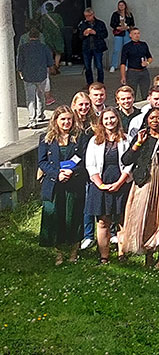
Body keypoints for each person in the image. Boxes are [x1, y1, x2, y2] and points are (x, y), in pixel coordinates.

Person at [120, 108, 159, 268]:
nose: (155, 121)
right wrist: (137, 144)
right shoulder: (141, 137)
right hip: (144, 182)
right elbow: (126, 159)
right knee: (144, 217)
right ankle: (148, 254)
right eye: (152, 118)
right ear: (147, 120)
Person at [38, 107, 89, 264]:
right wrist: (57, 173)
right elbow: (42, 162)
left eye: (69, 119)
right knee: (54, 216)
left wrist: (72, 173)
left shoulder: (80, 137)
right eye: (63, 119)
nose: (66, 122)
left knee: (74, 215)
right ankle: (58, 252)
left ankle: (74, 251)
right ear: (56, 121)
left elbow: (85, 159)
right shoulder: (46, 138)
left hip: (74, 183)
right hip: (54, 184)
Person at [85, 109, 131, 264]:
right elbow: (90, 165)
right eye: (106, 119)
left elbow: (130, 163)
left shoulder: (126, 139)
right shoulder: (94, 141)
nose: (109, 121)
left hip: (122, 183)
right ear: (101, 121)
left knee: (122, 221)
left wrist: (119, 183)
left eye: (112, 118)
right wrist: (101, 185)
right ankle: (104, 256)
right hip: (101, 185)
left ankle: (121, 254)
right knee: (103, 222)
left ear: (117, 119)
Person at [17, 28, 53, 127]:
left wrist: (20, 71)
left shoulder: (23, 48)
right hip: (41, 75)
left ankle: (32, 119)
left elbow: (20, 62)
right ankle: (40, 115)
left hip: (28, 75)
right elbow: (50, 62)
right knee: (40, 95)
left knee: (30, 98)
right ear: (39, 36)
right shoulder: (44, 47)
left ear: (29, 36)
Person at [77, 8, 109, 85]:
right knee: (87, 67)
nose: (87, 18)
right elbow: (80, 37)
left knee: (99, 66)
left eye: (89, 16)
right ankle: (89, 83)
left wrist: (95, 33)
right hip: (87, 48)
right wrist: (84, 34)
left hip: (97, 47)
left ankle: (100, 83)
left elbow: (105, 34)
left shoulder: (100, 23)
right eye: (86, 16)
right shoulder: (83, 24)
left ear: (93, 15)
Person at [119, 27, 153, 98]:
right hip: (132, 72)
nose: (137, 35)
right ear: (130, 35)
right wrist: (123, 76)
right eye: (135, 34)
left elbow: (150, 57)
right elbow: (123, 63)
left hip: (144, 71)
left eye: (138, 33)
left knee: (146, 92)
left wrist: (147, 63)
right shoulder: (127, 47)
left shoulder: (143, 44)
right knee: (132, 93)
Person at [108, 0, 135, 73]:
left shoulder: (129, 14)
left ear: (125, 6)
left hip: (127, 32)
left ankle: (126, 65)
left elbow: (132, 23)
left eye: (122, 5)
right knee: (116, 50)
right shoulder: (115, 14)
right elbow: (112, 24)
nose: (121, 7)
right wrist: (117, 27)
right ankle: (114, 65)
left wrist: (128, 27)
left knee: (127, 49)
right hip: (118, 33)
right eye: (120, 5)